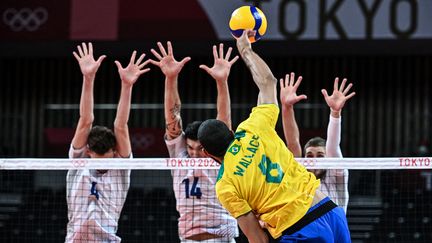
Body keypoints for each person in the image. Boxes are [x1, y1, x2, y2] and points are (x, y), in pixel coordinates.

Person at [197, 30, 351, 242]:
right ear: (231, 132)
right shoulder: (253, 127)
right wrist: (245, 49)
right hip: (331, 212)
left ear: (206, 154)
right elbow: (268, 82)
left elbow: (257, 239)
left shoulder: (226, 186)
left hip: (301, 231)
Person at [149, 41, 239, 242]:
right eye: (190, 147)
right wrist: (171, 78)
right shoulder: (180, 156)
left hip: (221, 234)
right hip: (188, 237)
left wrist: (221, 82)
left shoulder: (218, 156)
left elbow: (224, 119)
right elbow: (173, 119)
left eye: (200, 148)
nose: (195, 153)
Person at [66, 42, 150, 242]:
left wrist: (127, 85)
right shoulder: (77, 163)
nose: (103, 163)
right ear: (88, 152)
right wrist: (88, 77)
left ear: (114, 151)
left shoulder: (120, 168)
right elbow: (86, 120)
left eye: (107, 157)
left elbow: (120, 125)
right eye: (98, 158)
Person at [280, 73, 355, 213]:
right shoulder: (300, 176)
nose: (314, 160)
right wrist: (286, 107)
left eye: (320, 155)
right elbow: (293, 143)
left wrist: (335, 113)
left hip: (333, 233)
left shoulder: (337, 176)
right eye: (309, 155)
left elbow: (332, 147)